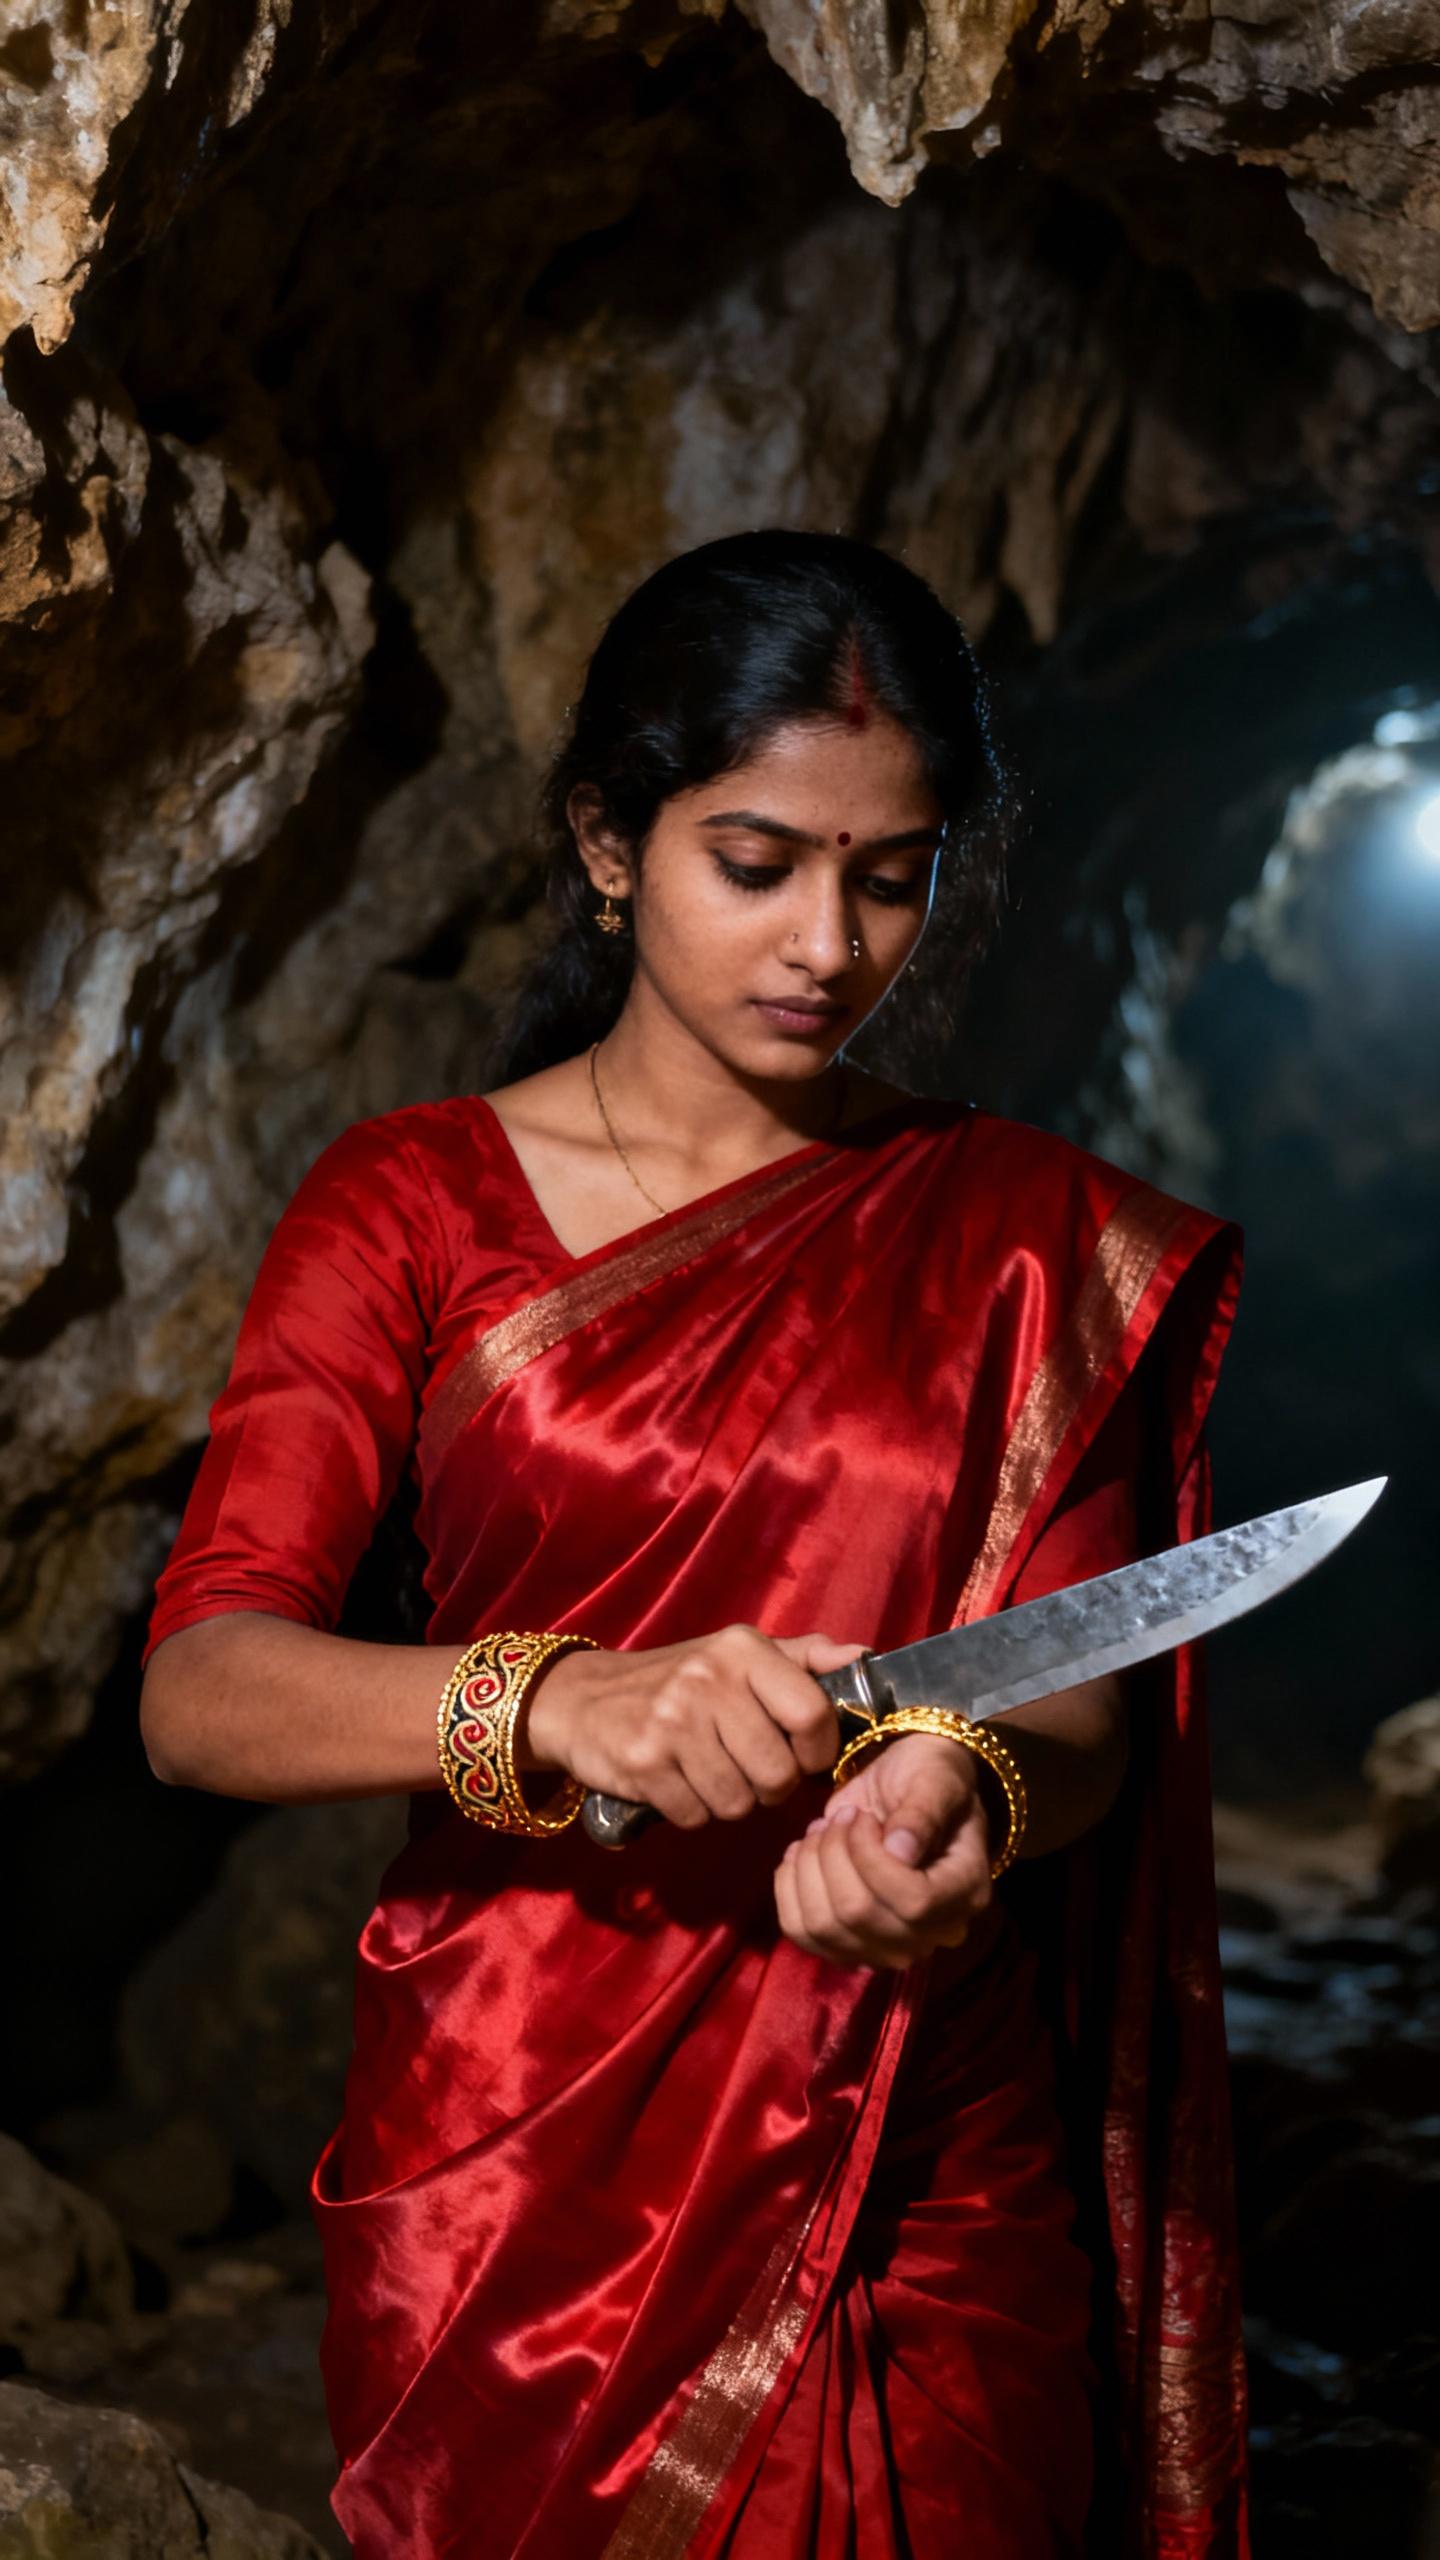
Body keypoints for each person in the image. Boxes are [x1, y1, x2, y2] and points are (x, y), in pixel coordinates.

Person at [139, 530, 1249, 2558]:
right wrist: (564, 1697)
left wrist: (959, 1785)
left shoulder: (1010, 1231)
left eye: (891, 870)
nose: (829, 939)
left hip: (915, 2142)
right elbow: (206, 1689)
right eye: (756, 860)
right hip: (516, 2161)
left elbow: (1075, 1698)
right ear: (605, 838)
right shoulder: (413, 1208)